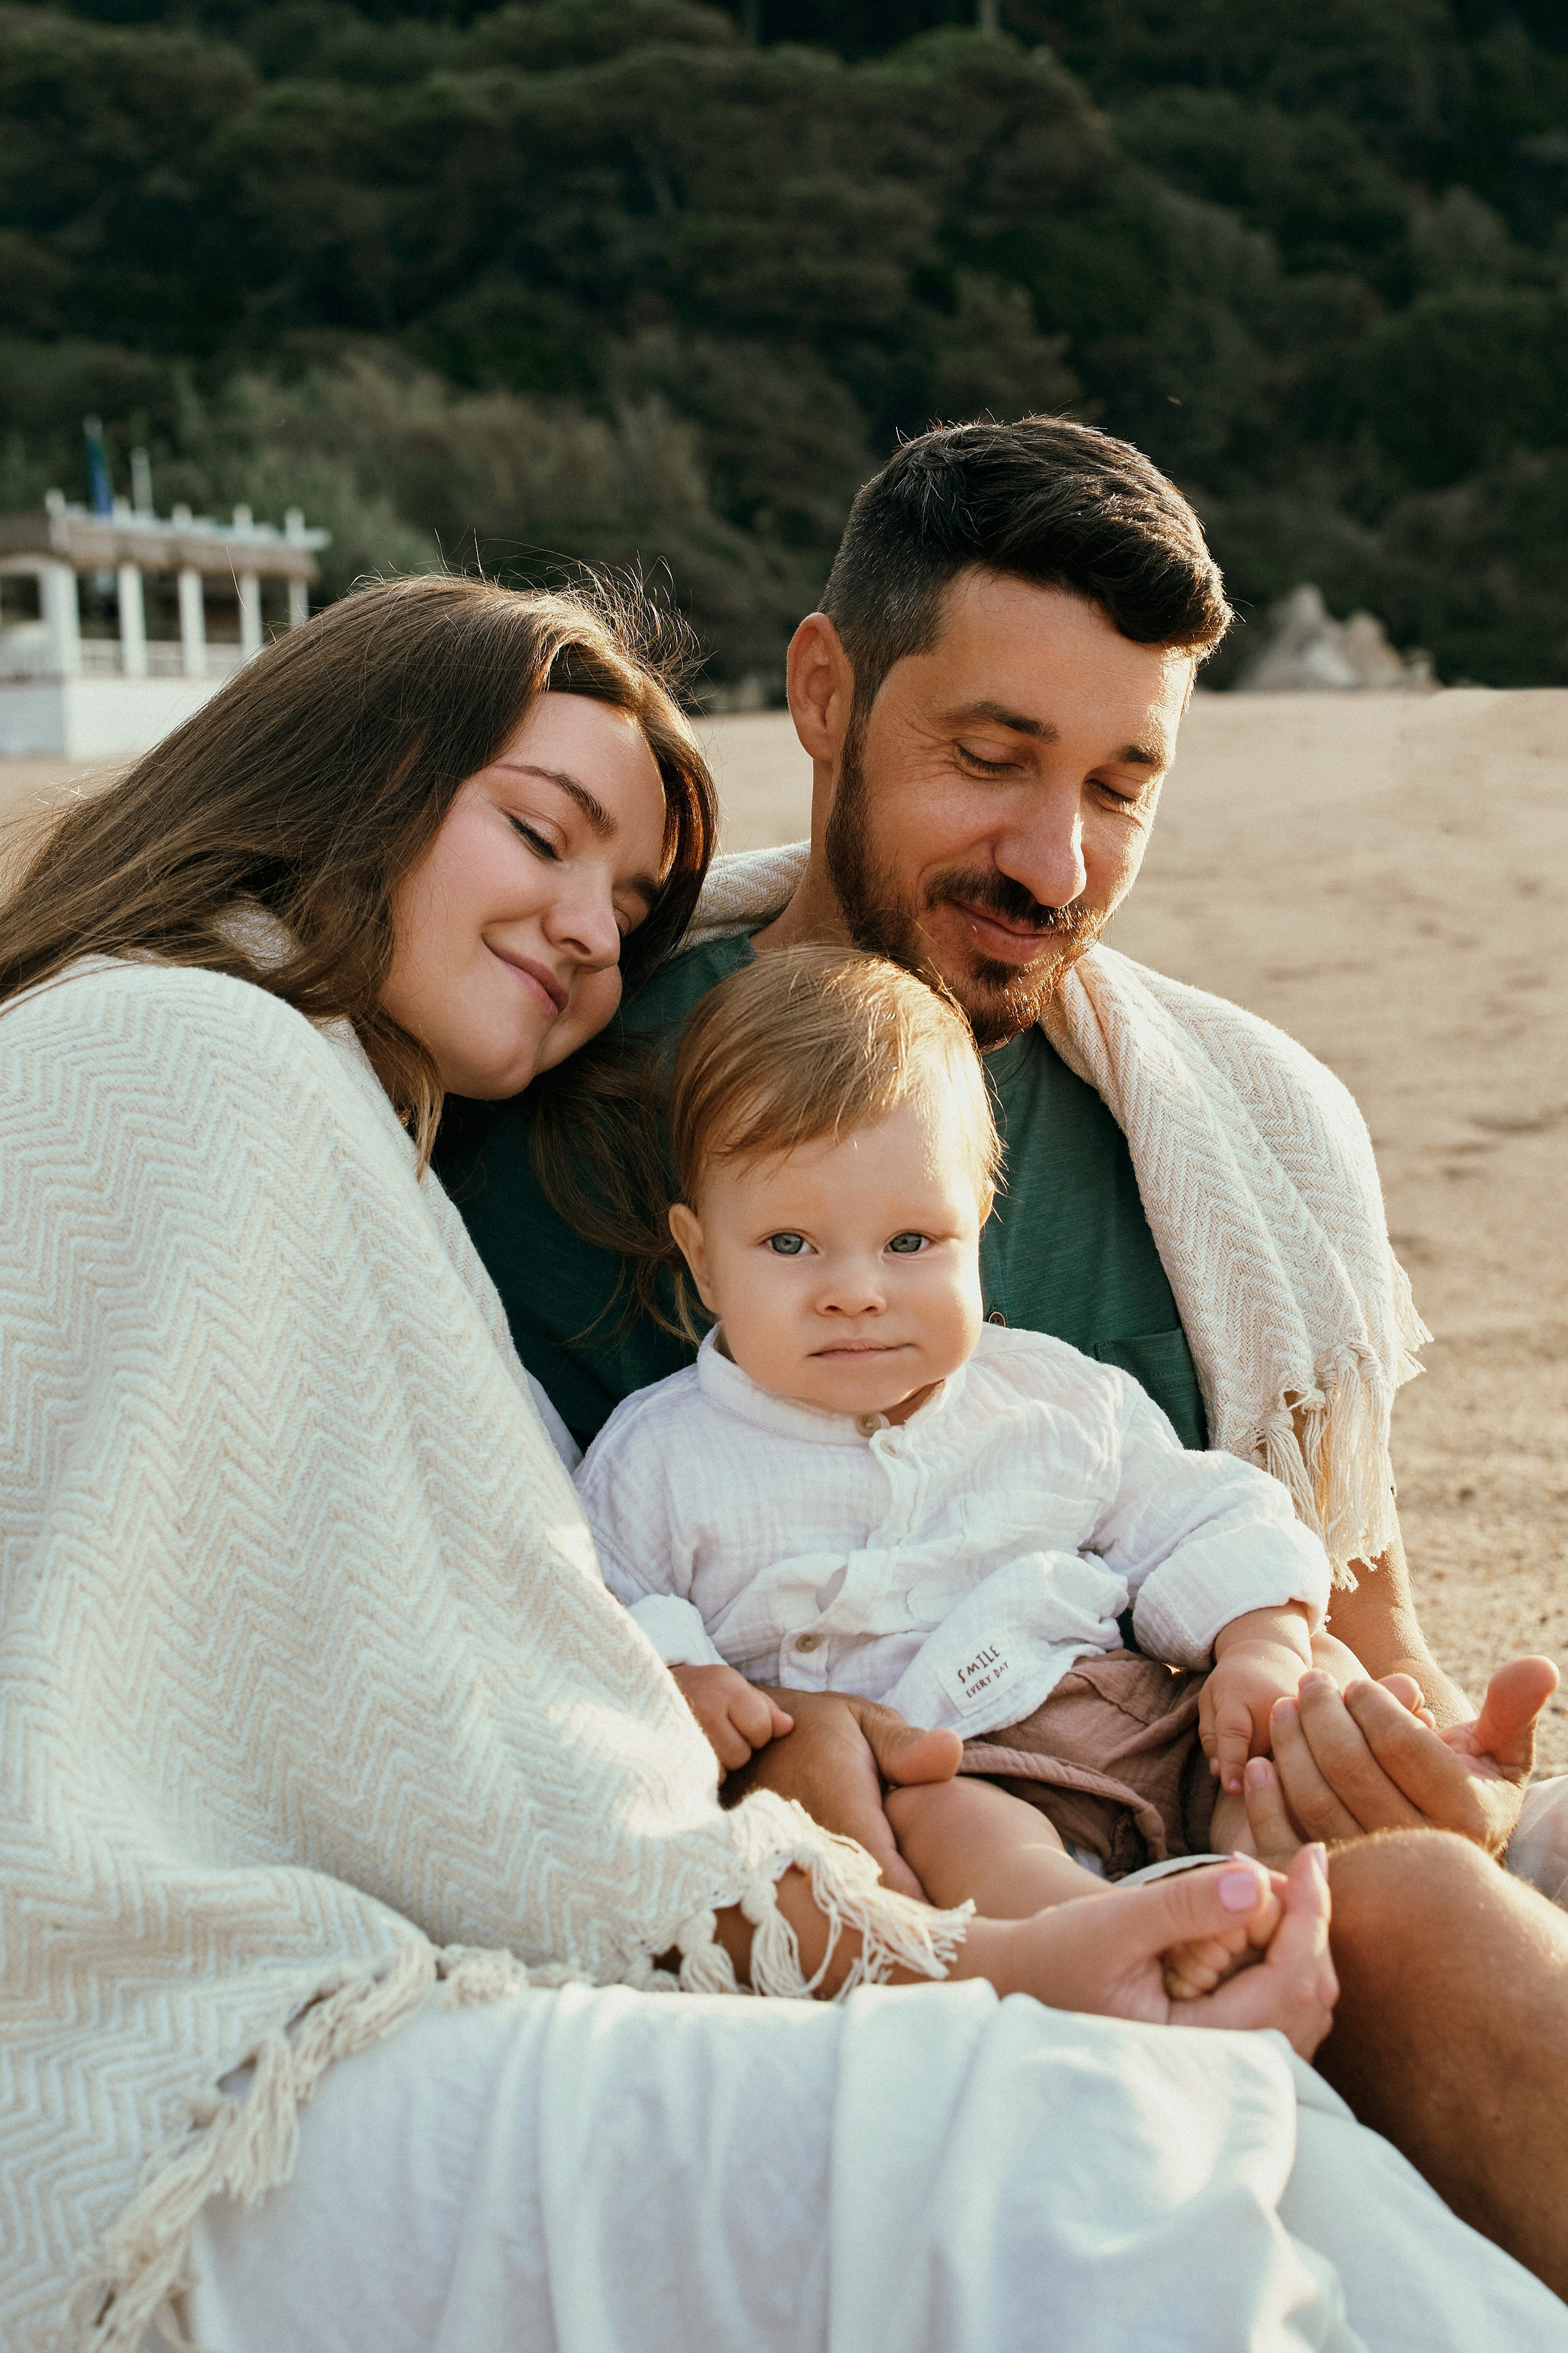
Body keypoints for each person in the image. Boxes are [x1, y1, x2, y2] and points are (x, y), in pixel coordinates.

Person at [13, 568, 1455, 2353]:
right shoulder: (181, 1056)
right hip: (193, 2059)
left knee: (1222, 2147)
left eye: (626, 903)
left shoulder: (317, 1098)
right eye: (541, 835)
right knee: (1091, 2152)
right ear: (355, 776)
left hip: (370, 1996)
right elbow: (442, 1745)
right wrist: (951, 1947)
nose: (590, 935)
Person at [437, 414, 1564, 1914]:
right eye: (989, 758)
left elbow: (1365, 1635)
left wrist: (1422, 1771)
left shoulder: (1249, 1131)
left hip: (1226, 1823)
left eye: (1118, 789)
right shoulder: (534, 1098)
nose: (1055, 864)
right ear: (823, 692)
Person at [579, 940, 1398, 1925]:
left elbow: (1199, 1507)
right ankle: (1112, 1932)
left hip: (1119, 1713)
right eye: (790, 1245)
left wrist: (1260, 1636)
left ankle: (1294, 1876)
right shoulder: (664, 1454)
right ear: (704, 1263)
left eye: (911, 1243)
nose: (855, 1293)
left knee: (1294, 1735)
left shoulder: (1051, 1395)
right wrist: (681, 1669)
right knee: (963, 1824)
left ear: (979, 1225)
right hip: (929, 1764)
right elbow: (596, 1601)